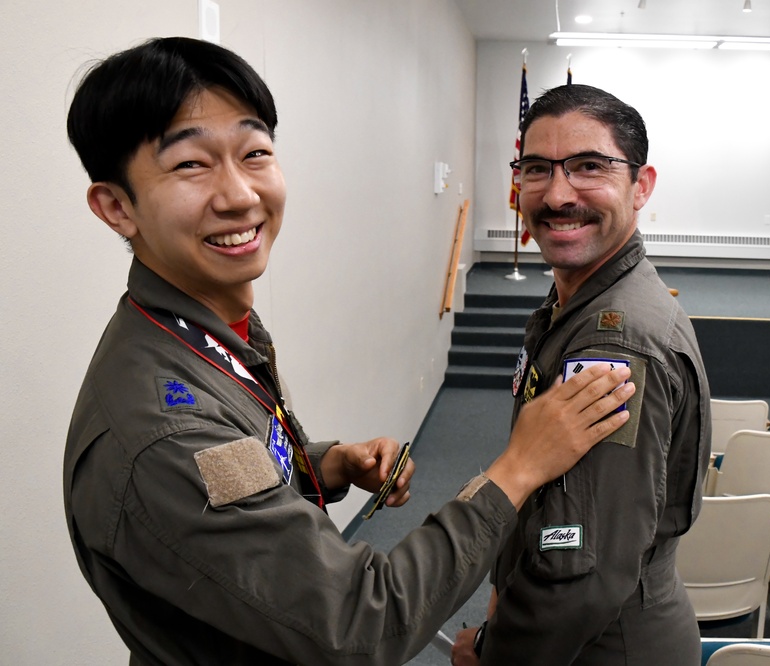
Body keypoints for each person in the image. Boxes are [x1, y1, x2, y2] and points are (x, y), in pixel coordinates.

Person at [62, 37, 636, 665]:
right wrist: (518, 468)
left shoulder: (206, 333)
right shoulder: (162, 431)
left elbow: (236, 461)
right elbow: (365, 620)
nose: (239, 195)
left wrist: (326, 465)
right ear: (116, 206)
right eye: (191, 166)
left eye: (255, 153)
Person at [452, 84, 712, 665]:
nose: (558, 193)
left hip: (601, 648)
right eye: (538, 169)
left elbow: (581, 567)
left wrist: (496, 652)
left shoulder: (612, 344)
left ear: (640, 185)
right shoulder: (576, 304)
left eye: (589, 166)